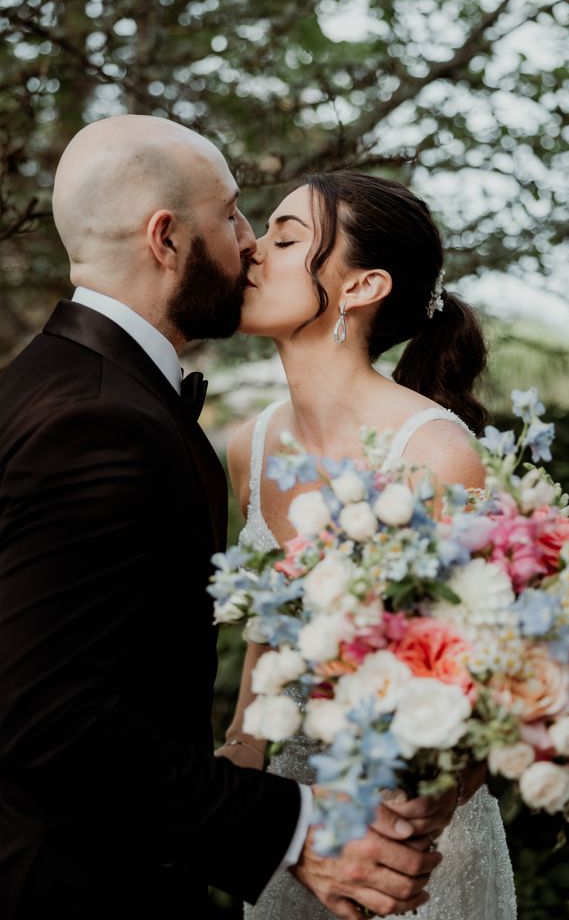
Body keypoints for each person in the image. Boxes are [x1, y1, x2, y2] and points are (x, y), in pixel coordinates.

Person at [0, 117, 448, 920]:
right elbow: (47, 719)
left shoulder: (55, 389)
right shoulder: (98, 422)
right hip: (67, 885)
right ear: (166, 238)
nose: (248, 246)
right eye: (236, 215)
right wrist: (292, 829)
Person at [221, 171, 518, 919]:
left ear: (361, 287)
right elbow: (268, 620)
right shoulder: (246, 445)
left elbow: (486, 688)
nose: (253, 248)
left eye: (287, 238)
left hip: (415, 843)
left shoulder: (434, 454)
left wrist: (409, 820)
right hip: (292, 830)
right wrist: (241, 751)